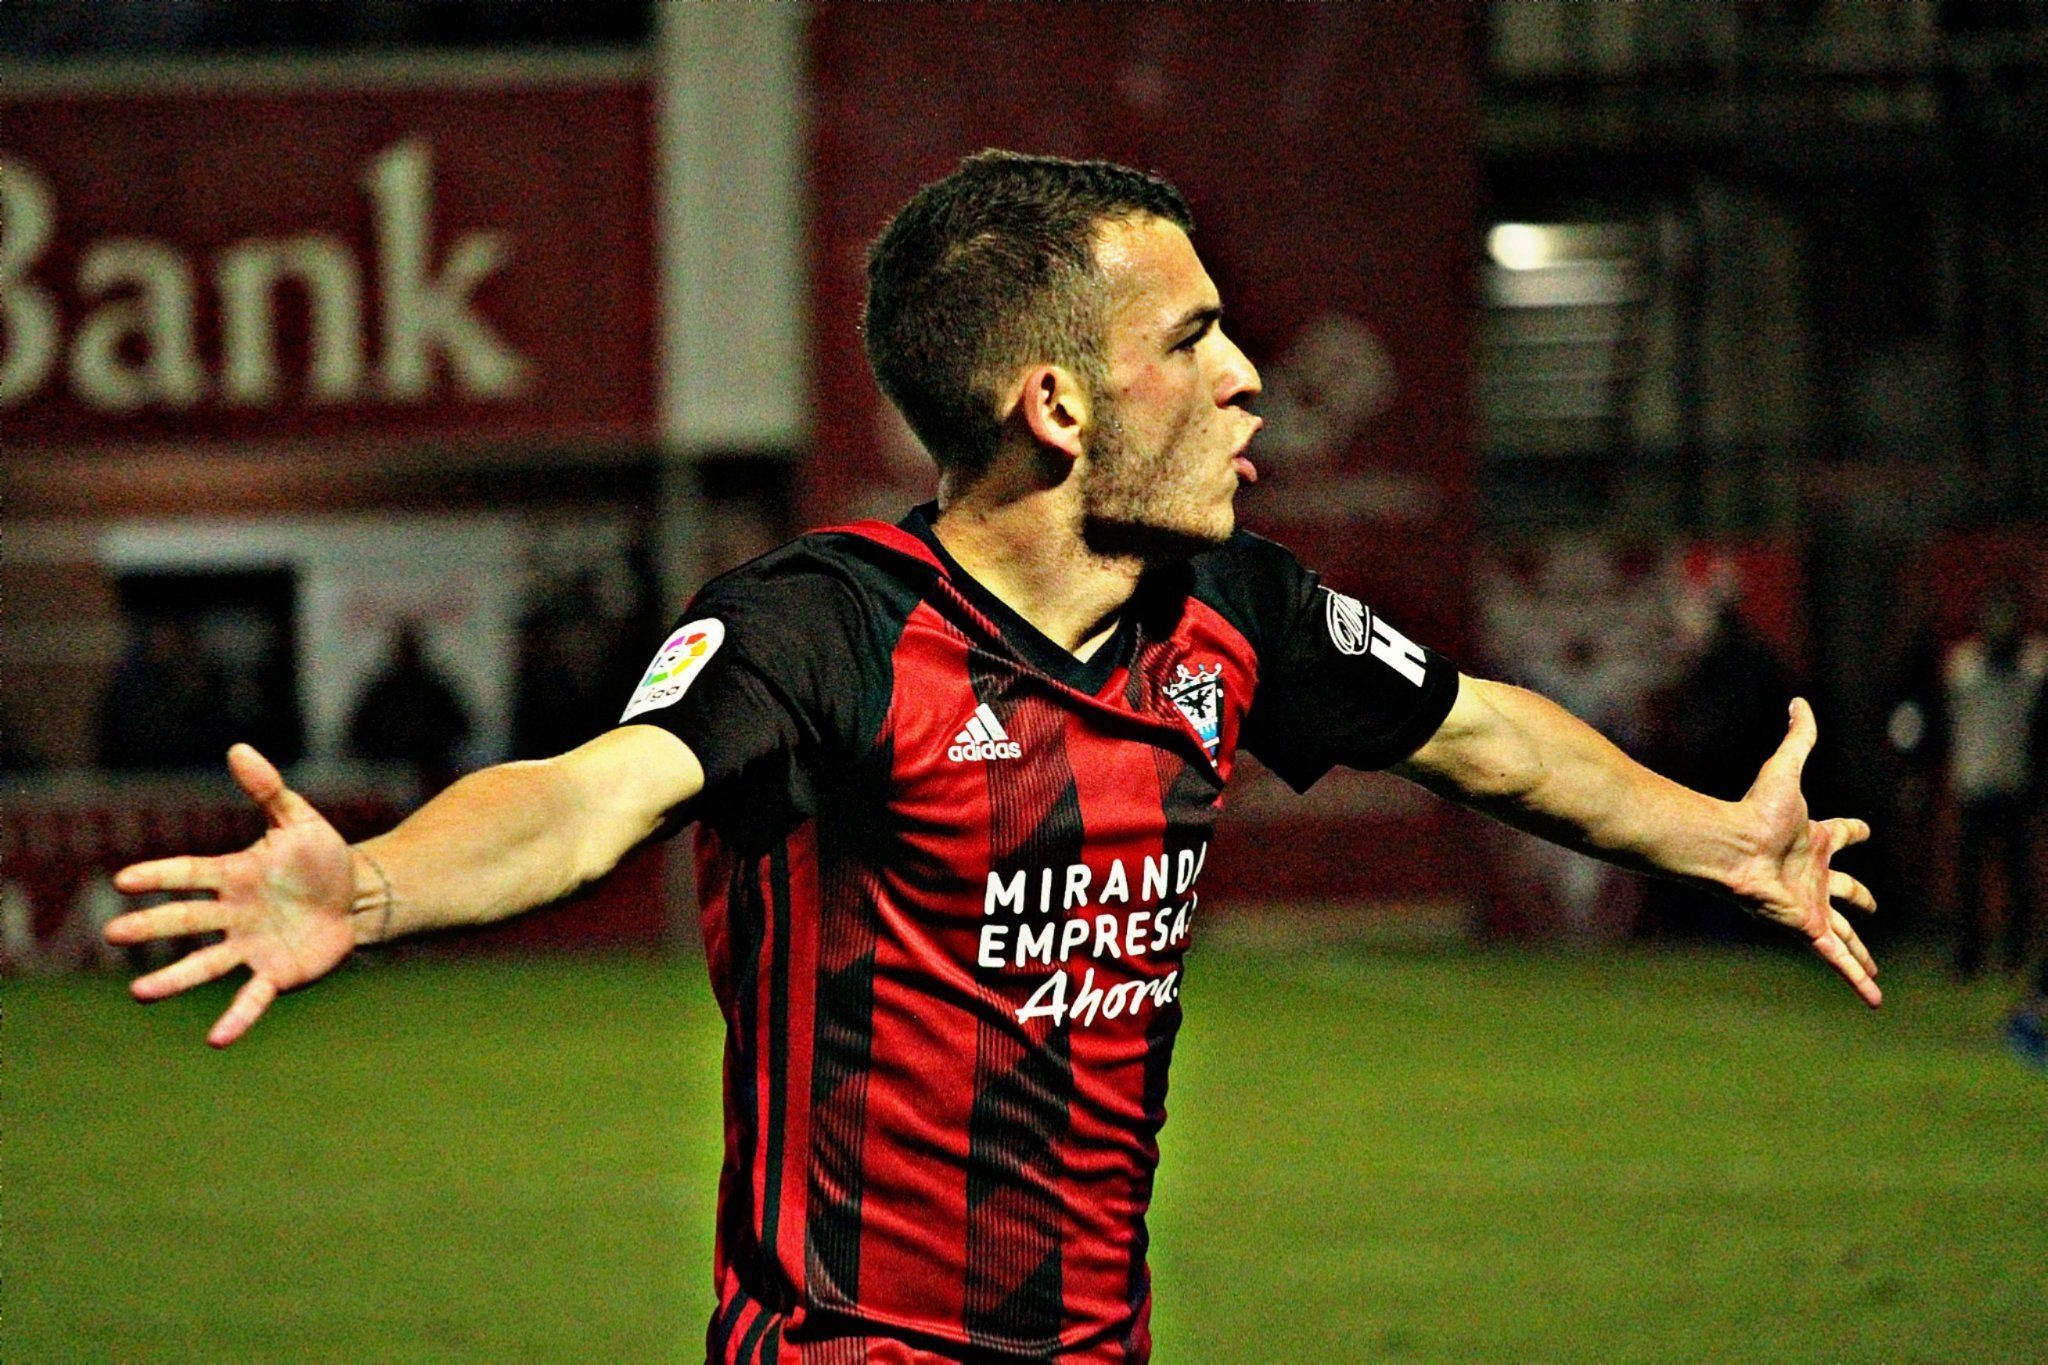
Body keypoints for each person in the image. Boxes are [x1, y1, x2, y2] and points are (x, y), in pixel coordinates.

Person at [107, 151, 1880, 1363]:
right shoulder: (828, 628)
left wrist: (1728, 847)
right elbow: (596, 790)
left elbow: (1483, 736)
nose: (1250, 377)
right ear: (1052, 405)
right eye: (1191, 341)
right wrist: (381, 882)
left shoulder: (1230, 615)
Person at [1941, 583, 2046, 980]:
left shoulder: (2034, 665)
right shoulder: (1964, 665)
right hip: (1973, 784)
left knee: (2019, 879)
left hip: (2015, 785)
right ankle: (1968, 957)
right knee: (1970, 882)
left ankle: (2016, 956)